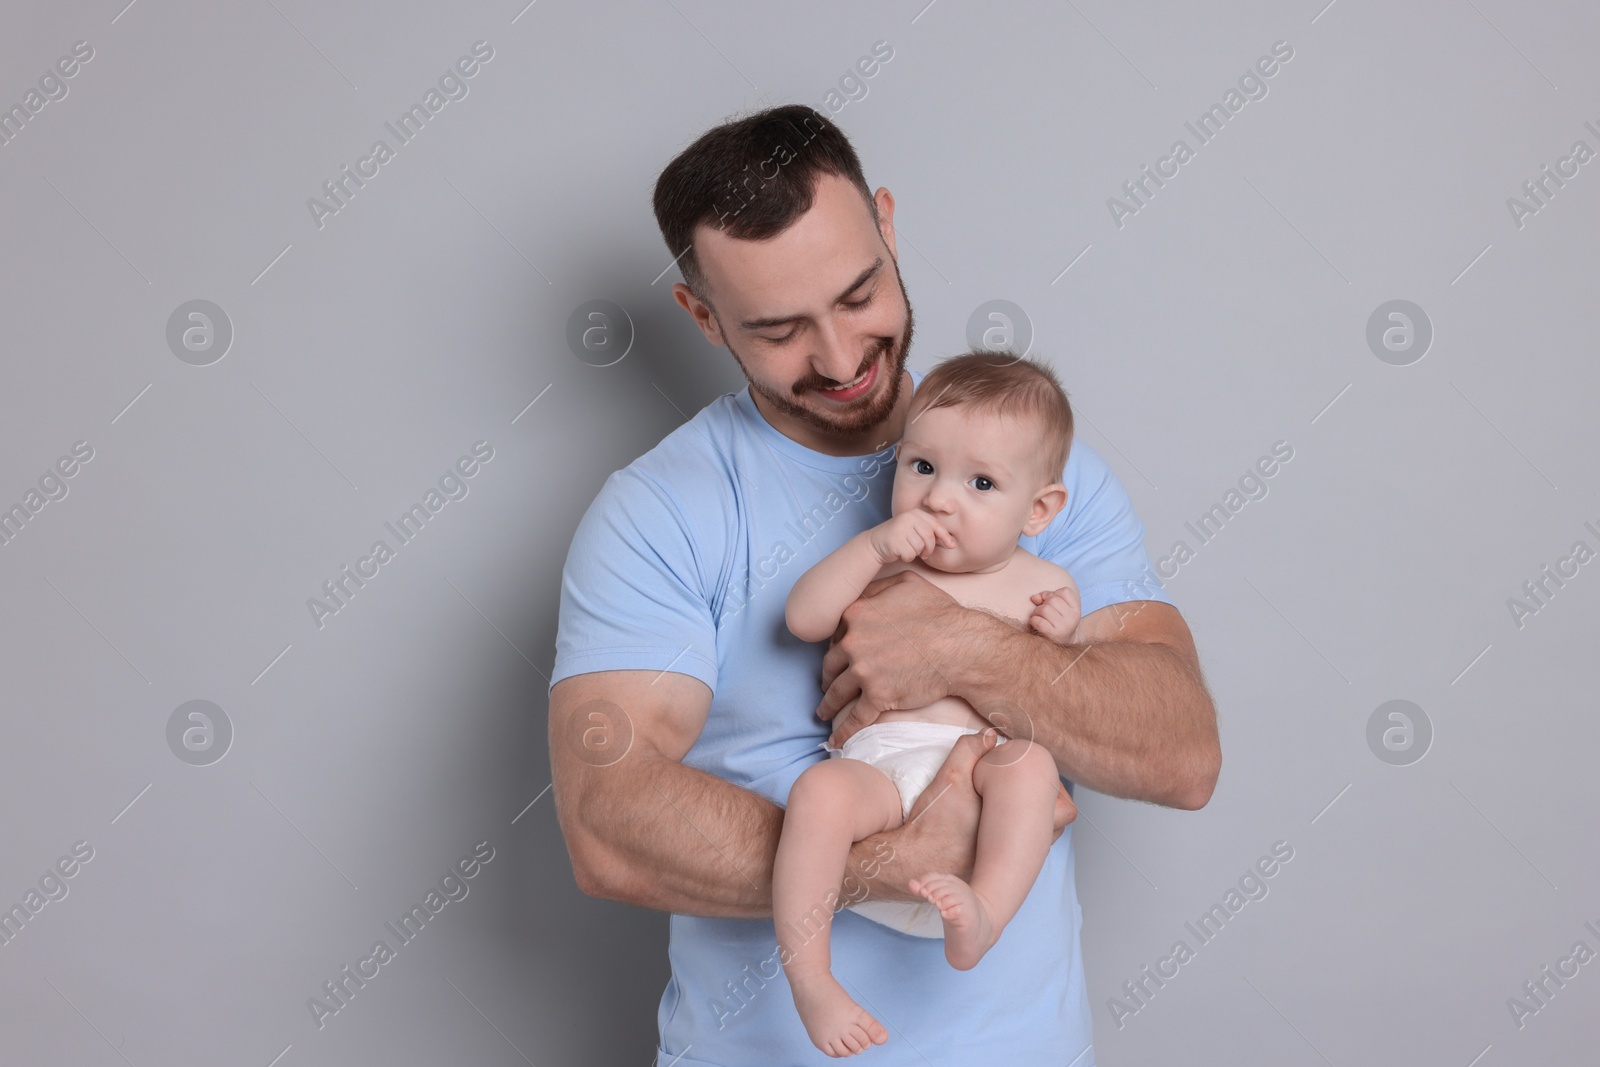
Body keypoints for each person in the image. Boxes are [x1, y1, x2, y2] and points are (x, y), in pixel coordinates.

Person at [547, 103, 1220, 1066]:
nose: (839, 356)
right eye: (779, 329)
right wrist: (887, 866)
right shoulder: (659, 511)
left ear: (889, 230)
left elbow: (1182, 753)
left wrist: (961, 645)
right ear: (702, 317)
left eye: (859, 294)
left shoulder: (1029, 475)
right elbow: (606, 824)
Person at [776, 351, 1087, 1056]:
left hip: (977, 782)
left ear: (1038, 508)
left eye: (980, 482)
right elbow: (802, 617)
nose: (940, 498)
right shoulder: (883, 559)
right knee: (819, 793)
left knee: (1031, 766)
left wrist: (1062, 640)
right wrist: (871, 546)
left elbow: (1060, 703)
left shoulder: (1043, 585)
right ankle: (812, 979)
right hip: (881, 772)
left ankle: (984, 912)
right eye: (922, 467)